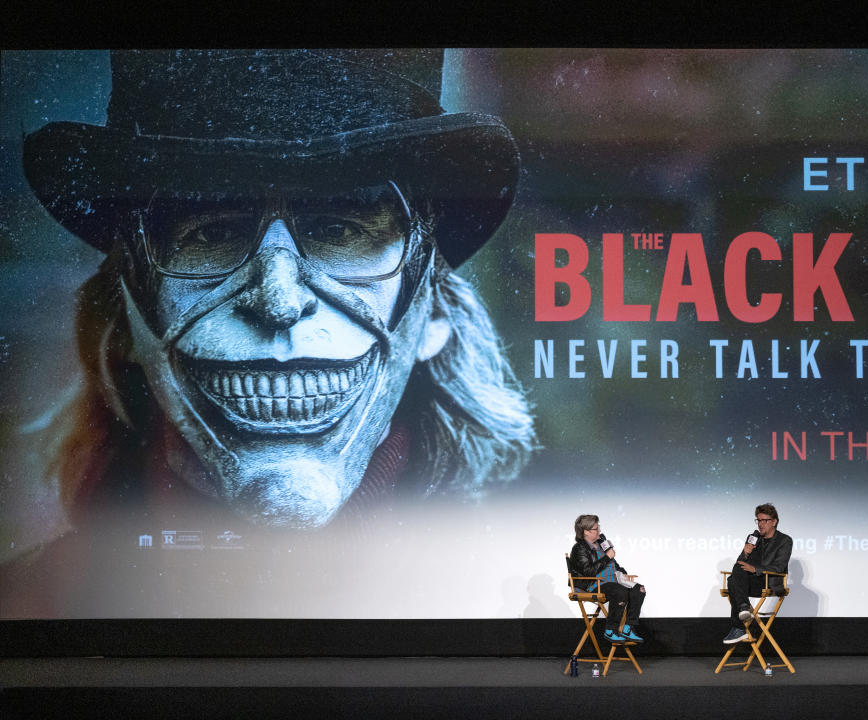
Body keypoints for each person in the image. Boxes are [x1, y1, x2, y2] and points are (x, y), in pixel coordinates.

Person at [2, 49, 537, 616]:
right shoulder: (27, 608)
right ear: (125, 318)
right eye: (212, 234)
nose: (279, 301)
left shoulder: (526, 608)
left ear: (432, 312)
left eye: (339, 229)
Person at [569, 514, 645, 643]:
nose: (599, 531)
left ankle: (628, 628)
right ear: (586, 532)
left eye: (599, 527)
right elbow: (589, 571)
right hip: (594, 585)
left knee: (639, 589)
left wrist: (622, 573)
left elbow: (614, 565)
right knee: (619, 591)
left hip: (614, 581)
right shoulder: (579, 548)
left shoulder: (601, 545)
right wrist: (607, 557)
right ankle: (610, 630)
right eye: (596, 528)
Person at [723, 503, 792, 644]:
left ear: (774, 522)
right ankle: (743, 608)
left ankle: (739, 626)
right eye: (758, 520)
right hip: (750, 583)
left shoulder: (784, 541)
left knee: (732, 581)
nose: (760, 524)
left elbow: (779, 567)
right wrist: (745, 553)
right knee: (736, 571)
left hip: (769, 582)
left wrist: (755, 569)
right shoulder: (753, 537)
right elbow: (740, 565)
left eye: (764, 521)